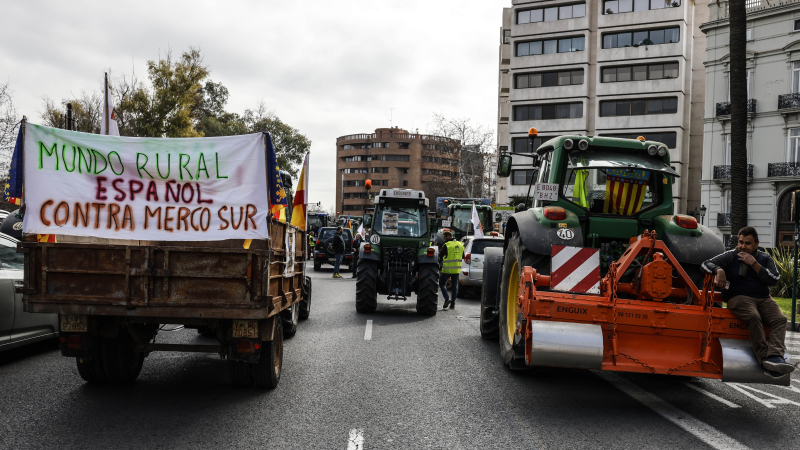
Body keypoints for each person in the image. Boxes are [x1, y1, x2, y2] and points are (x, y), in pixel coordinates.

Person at [701, 227, 793, 378]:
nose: (742, 246)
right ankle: (764, 360)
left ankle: (775, 357)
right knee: (753, 316)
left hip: (763, 298)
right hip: (738, 297)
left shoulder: (765, 258)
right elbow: (705, 264)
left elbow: (774, 279)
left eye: (747, 243)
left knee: (780, 319)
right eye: (740, 242)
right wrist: (718, 270)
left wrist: (754, 264)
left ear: (757, 243)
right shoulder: (731, 255)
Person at [439, 230, 464, 310]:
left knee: (442, 283)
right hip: (456, 270)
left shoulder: (447, 245)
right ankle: (453, 304)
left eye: (444, 237)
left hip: (447, 270)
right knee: (454, 287)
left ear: (448, 236)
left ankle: (446, 298)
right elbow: (463, 256)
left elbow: (440, 256)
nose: (444, 239)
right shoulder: (460, 244)